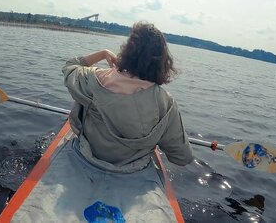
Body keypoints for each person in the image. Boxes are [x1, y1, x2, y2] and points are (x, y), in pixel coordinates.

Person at [62, 21, 193, 173]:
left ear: (127, 50)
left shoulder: (93, 79)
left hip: (86, 156)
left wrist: (103, 53)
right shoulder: (165, 103)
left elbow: (70, 66)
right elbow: (182, 158)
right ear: (163, 61)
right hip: (132, 170)